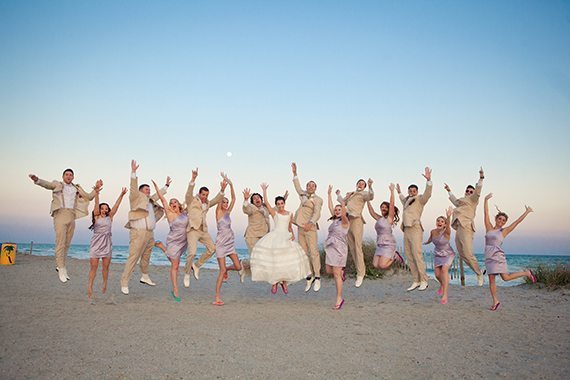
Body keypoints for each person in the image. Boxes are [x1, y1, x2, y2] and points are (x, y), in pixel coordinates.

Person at [29, 169, 102, 283]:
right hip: (60, 214)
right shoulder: (58, 184)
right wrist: (37, 180)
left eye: (70, 175)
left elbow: (89, 196)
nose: (68, 176)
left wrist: (96, 189)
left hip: (71, 215)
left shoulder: (76, 187)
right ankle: (61, 268)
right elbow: (47, 185)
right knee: (60, 242)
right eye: (66, 174)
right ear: (63, 176)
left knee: (67, 243)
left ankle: (61, 265)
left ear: (73, 177)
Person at [250, 183, 311, 294]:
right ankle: (274, 283)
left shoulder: (290, 213)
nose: (280, 205)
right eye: (278, 204)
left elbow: (289, 226)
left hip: (285, 236)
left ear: (284, 203)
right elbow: (267, 203)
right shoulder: (275, 213)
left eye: (282, 203)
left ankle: (283, 282)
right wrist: (264, 191)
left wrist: (292, 234)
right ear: (276, 205)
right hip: (276, 236)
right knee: (276, 260)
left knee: (285, 261)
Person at [120, 160, 169, 295]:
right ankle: (124, 281)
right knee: (134, 257)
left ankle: (144, 276)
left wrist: (166, 186)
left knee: (146, 256)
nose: (149, 191)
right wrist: (134, 172)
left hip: (150, 233)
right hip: (138, 232)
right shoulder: (136, 198)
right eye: (146, 189)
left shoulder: (150, 200)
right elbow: (133, 187)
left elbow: (158, 194)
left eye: (149, 190)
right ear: (141, 191)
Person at [483, 193, 536, 311]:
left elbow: (517, 222)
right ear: (496, 219)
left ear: (505, 222)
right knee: (491, 280)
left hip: (498, 257)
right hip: (489, 258)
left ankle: (526, 273)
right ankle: (495, 301)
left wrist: (526, 212)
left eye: (503, 220)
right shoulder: (489, 227)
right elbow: (486, 213)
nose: (501, 221)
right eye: (500, 219)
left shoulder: (504, 231)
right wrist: (485, 200)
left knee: (505, 278)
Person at [183, 169, 226, 287]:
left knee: (212, 249)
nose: (204, 197)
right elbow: (188, 193)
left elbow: (217, 199)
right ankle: (186, 273)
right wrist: (193, 179)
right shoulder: (191, 200)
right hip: (192, 230)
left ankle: (196, 265)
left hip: (203, 230)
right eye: (203, 195)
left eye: (207, 195)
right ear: (199, 193)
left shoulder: (207, 203)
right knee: (192, 252)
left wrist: (222, 190)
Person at [445, 167, 485, 286]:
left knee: (468, 253)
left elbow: (477, 192)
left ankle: (479, 273)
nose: (468, 193)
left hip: (466, 227)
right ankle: (478, 271)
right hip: (459, 228)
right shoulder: (462, 200)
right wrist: (449, 190)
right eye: (467, 191)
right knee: (462, 254)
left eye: (470, 191)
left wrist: (481, 178)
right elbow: (455, 201)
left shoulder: (473, 200)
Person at [87, 187, 127, 301]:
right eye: (102, 208)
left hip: (107, 244)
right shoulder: (96, 216)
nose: (104, 210)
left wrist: (121, 195)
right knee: (93, 267)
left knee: (106, 267)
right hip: (96, 244)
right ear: (99, 210)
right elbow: (96, 203)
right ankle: (90, 286)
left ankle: (104, 283)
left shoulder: (110, 217)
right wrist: (97, 193)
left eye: (106, 208)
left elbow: (116, 205)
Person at [240, 188, 288, 281]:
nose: (257, 199)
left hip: (263, 236)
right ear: (252, 202)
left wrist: (284, 198)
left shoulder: (265, 209)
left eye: (258, 198)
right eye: (254, 198)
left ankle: (243, 265)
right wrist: (245, 200)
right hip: (252, 236)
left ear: (261, 200)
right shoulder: (251, 208)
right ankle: (245, 267)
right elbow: (245, 209)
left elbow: (276, 208)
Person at [152, 180, 188, 302]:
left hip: (183, 242)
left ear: (179, 204)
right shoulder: (169, 214)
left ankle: (162, 246)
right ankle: (175, 289)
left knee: (175, 262)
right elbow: (162, 200)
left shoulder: (184, 214)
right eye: (171, 202)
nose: (173, 204)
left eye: (175, 202)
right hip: (173, 241)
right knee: (175, 266)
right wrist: (158, 187)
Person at [397, 167, 432, 292]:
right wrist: (399, 192)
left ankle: (424, 280)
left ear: (417, 191)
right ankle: (416, 280)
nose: (412, 192)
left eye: (414, 190)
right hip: (406, 229)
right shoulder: (406, 200)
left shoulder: (420, 199)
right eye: (410, 190)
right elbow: (402, 199)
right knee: (409, 255)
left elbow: (428, 194)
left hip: (416, 228)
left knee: (417, 255)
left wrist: (428, 181)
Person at [336, 178, 374, 288]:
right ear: (356, 184)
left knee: (358, 247)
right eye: (359, 183)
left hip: (357, 220)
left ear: (364, 186)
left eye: (363, 184)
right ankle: (359, 271)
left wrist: (371, 186)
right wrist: (339, 195)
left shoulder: (364, 194)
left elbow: (371, 197)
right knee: (352, 248)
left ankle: (361, 274)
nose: (360, 185)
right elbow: (342, 202)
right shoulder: (352, 194)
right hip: (348, 221)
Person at [291, 162, 323, 292]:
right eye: (308, 185)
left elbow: (317, 212)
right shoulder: (303, 195)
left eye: (312, 185)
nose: (310, 187)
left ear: (315, 188)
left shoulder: (318, 199)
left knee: (314, 252)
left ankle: (318, 277)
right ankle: (309, 276)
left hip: (310, 227)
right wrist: (295, 174)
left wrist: (311, 223)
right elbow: (298, 188)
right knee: (303, 253)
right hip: (300, 227)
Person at [212, 174, 243, 305]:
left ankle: (227, 271)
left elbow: (234, 198)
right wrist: (222, 189)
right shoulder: (218, 212)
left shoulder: (228, 213)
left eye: (226, 202)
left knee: (238, 266)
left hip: (230, 244)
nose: (225, 203)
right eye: (223, 202)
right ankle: (217, 297)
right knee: (221, 270)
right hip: (220, 244)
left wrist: (231, 184)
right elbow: (219, 201)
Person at [367, 183, 403, 270]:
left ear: (388, 209)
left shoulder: (389, 219)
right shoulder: (379, 218)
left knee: (383, 265)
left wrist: (391, 192)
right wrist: (367, 200)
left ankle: (395, 256)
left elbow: (391, 204)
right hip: (380, 244)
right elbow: (371, 212)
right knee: (376, 265)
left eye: (385, 207)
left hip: (388, 244)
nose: (383, 208)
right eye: (381, 207)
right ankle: (392, 256)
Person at [324, 185, 349, 310]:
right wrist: (329, 195)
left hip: (340, 250)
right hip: (330, 248)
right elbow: (330, 207)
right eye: (336, 209)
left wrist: (343, 203)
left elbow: (343, 213)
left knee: (336, 274)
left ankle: (339, 298)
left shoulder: (345, 222)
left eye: (339, 209)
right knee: (329, 271)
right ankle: (342, 271)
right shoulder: (334, 221)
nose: (337, 210)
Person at [424, 207, 455, 305]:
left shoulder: (447, 232)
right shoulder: (433, 231)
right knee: (437, 275)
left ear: (445, 224)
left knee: (444, 270)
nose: (440, 222)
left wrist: (448, 217)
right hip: (438, 254)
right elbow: (430, 239)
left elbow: (449, 225)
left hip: (448, 254)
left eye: (442, 221)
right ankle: (442, 285)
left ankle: (445, 294)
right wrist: (424, 243)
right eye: (438, 221)